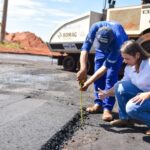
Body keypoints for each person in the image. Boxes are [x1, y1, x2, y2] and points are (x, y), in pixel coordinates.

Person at [77, 21, 128, 121]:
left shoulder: (118, 43)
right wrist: (83, 69)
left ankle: (107, 108)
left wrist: (87, 83)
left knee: (111, 76)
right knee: (97, 72)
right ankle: (98, 103)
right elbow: (85, 49)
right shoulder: (95, 28)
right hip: (103, 47)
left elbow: (105, 68)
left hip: (115, 49)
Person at [98, 40, 150, 135]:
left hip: (147, 95)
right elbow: (121, 85)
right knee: (120, 86)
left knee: (131, 108)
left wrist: (148, 94)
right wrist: (106, 93)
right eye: (123, 58)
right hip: (143, 94)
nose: (124, 61)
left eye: (127, 58)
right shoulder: (129, 68)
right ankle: (125, 119)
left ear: (137, 55)